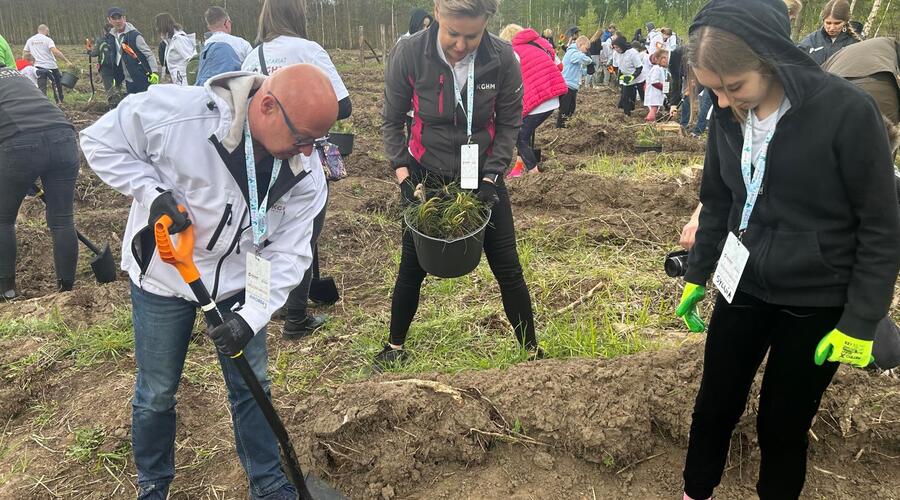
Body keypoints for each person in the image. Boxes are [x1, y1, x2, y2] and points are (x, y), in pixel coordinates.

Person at [674, 2, 900, 499]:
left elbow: (881, 226)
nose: (725, 101)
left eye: (735, 86)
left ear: (771, 59)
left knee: (782, 424)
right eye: (713, 88)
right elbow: (717, 199)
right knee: (714, 405)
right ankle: (696, 492)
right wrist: (698, 270)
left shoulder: (846, 112)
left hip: (816, 298)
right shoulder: (727, 116)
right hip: (745, 283)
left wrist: (861, 320)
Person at [80, 64, 336, 500]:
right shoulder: (181, 114)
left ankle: (269, 483)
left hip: (241, 282)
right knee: (157, 391)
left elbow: (292, 252)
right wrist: (151, 191)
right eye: (303, 139)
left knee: (253, 387)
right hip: (165, 276)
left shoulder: (305, 173)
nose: (310, 153)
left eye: (317, 141)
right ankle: (154, 484)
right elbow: (99, 140)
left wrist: (251, 316)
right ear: (268, 106)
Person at [380, 0, 542, 369]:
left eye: (472, 35)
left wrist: (492, 177)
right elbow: (391, 121)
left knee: (507, 265)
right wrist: (404, 176)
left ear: (487, 22)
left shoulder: (502, 58)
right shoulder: (409, 54)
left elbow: (508, 125)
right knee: (411, 265)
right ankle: (394, 347)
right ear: (436, 11)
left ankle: (531, 351)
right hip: (427, 175)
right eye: (453, 33)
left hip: (483, 174)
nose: (460, 44)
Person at [242, 0, 352, 340]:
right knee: (303, 231)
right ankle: (296, 317)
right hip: (300, 158)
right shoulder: (309, 50)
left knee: (263, 231)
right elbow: (342, 106)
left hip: (258, 159)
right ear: (297, 15)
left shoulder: (252, 55)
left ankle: (259, 307)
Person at [0, 64, 79, 299]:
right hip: (64, 139)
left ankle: (7, 291)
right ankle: (66, 291)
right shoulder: (16, 76)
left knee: (3, 220)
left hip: (19, 145)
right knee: (62, 219)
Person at [505, 25, 567, 177]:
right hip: (551, 96)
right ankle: (518, 168)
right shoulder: (541, 44)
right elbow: (560, 66)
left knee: (519, 136)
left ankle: (534, 174)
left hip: (538, 100)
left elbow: (509, 78)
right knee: (525, 131)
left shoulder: (515, 52)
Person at [195, 6, 253, 87]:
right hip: (234, 93)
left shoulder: (205, 47)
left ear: (209, 27)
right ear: (227, 23)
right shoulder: (242, 44)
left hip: (206, 93)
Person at [107, 7, 159, 95]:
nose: (118, 21)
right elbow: (114, 58)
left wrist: (154, 72)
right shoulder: (111, 37)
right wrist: (115, 77)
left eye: (120, 18)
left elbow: (149, 55)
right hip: (127, 81)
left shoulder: (135, 36)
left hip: (142, 79)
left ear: (124, 18)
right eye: (114, 18)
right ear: (109, 20)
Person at [798, 0, 860, 66]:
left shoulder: (856, 43)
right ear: (823, 21)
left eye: (837, 23)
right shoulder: (810, 41)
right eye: (828, 23)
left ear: (845, 21)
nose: (832, 27)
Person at [23, 24, 72, 103]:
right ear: (46, 30)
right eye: (48, 31)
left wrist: (26, 65)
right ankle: (60, 102)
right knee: (57, 84)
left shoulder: (30, 40)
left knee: (42, 87)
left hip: (38, 67)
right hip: (51, 66)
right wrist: (67, 61)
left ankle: (42, 103)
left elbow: (25, 53)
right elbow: (55, 51)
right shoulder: (47, 40)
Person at [557, 35, 593, 128]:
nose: (586, 51)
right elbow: (581, 58)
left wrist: (586, 71)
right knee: (565, 109)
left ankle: (567, 125)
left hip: (573, 86)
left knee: (571, 108)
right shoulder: (573, 51)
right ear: (581, 44)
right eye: (586, 48)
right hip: (567, 85)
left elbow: (578, 69)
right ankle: (560, 128)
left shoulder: (576, 54)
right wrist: (590, 61)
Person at [155, 13, 195, 86]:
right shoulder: (169, 42)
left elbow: (192, 60)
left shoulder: (179, 40)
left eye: (158, 26)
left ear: (162, 25)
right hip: (178, 81)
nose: (157, 29)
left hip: (185, 82)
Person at [612, 36, 643, 116]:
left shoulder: (632, 53)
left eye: (617, 47)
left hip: (637, 76)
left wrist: (632, 76)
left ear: (622, 46)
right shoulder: (615, 53)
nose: (616, 49)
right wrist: (618, 77)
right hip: (625, 76)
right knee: (625, 94)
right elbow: (615, 67)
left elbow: (639, 68)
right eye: (614, 48)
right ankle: (627, 113)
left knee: (641, 95)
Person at [645, 49, 669, 122]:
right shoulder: (656, 69)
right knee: (653, 110)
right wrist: (664, 88)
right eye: (663, 58)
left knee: (655, 110)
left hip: (657, 95)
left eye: (667, 58)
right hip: (654, 94)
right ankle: (649, 123)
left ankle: (651, 123)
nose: (666, 60)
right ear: (657, 59)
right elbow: (654, 82)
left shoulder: (662, 69)